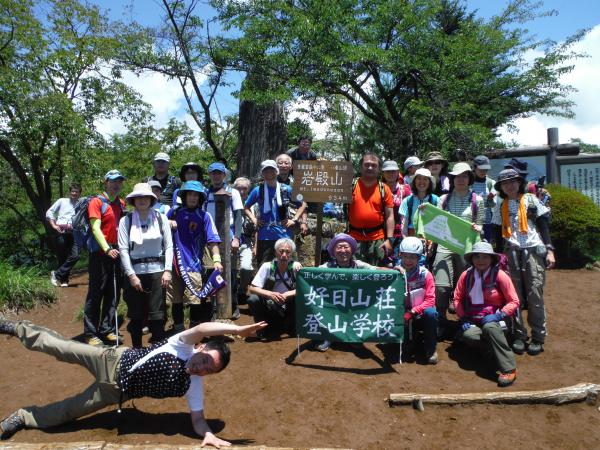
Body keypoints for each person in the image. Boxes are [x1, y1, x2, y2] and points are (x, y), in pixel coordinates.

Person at [0, 317, 267, 446]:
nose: (204, 368)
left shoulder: (192, 386)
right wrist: (237, 330)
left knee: (68, 413)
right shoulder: (182, 345)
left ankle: (23, 417)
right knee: (61, 348)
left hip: (116, 392)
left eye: (210, 370)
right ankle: (16, 328)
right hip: (110, 360)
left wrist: (209, 434)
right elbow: (201, 328)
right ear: (201, 348)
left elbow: (197, 419)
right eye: (207, 360)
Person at [491, 169, 555, 356]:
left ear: (519, 182)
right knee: (514, 296)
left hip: (533, 250)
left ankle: (538, 336)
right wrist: (497, 258)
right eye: (505, 183)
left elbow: (543, 225)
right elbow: (497, 233)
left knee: (535, 293)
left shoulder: (531, 200)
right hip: (510, 252)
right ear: (501, 187)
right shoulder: (501, 205)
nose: (509, 185)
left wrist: (550, 250)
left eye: (513, 181)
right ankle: (519, 335)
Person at [453, 242, 520, 386]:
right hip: (473, 318)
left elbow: (514, 301)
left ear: (491, 259)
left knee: (490, 328)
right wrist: (463, 318)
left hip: (497, 319)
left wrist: (499, 315)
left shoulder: (500, 275)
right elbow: (457, 299)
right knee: (469, 335)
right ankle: (491, 349)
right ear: (472, 259)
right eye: (477, 256)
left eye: (485, 257)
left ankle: (509, 369)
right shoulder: (466, 275)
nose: (480, 260)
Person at [430, 162, 484, 335]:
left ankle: (465, 321)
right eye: (456, 177)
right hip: (444, 246)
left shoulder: (477, 200)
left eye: (464, 176)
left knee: (466, 287)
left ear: (469, 179)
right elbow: (437, 223)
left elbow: (481, 225)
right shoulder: (443, 199)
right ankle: (440, 320)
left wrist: (478, 228)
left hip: (466, 249)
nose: (460, 179)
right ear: (452, 179)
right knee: (441, 286)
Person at [118, 183, 173, 348]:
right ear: (133, 200)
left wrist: (167, 270)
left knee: (157, 315)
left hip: (158, 272)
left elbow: (169, 246)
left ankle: (156, 351)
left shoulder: (161, 218)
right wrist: (131, 275)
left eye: (145, 197)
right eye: (138, 197)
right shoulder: (126, 221)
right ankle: (136, 350)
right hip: (135, 273)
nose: (142, 200)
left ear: (151, 199)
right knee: (135, 315)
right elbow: (123, 249)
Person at [167, 181, 222, 332]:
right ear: (184, 196)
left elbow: (213, 240)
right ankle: (178, 331)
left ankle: (194, 332)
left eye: (196, 195)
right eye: (190, 194)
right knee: (176, 299)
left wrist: (217, 260)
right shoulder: (173, 212)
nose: (193, 198)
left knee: (195, 299)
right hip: (174, 263)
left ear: (200, 198)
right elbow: (159, 229)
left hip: (193, 264)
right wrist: (167, 222)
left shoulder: (204, 216)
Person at [83, 170, 127, 346]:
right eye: (113, 181)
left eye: (119, 181)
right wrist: (107, 248)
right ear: (106, 182)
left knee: (113, 293)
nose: (116, 184)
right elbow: (95, 228)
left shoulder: (121, 203)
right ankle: (90, 333)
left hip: (117, 252)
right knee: (96, 293)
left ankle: (107, 329)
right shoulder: (97, 202)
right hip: (100, 254)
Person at [315, 233, 378, 351]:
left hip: (354, 302)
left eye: (346, 247)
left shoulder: (359, 265)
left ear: (352, 250)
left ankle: (354, 336)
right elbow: (312, 273)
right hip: (333, 303)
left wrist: (395, 270)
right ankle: (328, 337)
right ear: (333, 251)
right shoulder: (327, 266)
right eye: (339, 247)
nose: (343, 250)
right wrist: (299, 268)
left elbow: (378, 270)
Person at [203, 162, 244, 320]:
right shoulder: (205, 193)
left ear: (224, 175)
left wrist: (237, 238)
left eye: (219, 173)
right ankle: (215, 308)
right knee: (212, 271)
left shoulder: (233, 192)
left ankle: (233, 304)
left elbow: (238, 216)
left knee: (231, 272)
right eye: (213, 173)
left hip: (229, 235)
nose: (216, 176)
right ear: (209, 175)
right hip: (209, 237)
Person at [244, 160, 305, 265]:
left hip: (284, 234)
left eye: (271, 170)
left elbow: (303, 204)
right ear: (262, 174)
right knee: (264, 266)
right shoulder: (258, 190)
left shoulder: (286, 189)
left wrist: (294, 219)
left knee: (290, 266)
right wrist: (254, 219)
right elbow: (246, 207)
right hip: (265, 234)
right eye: (266, 171)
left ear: (276, 172)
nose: (269, 173)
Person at [393, 237, 439, 364]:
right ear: (400, 255)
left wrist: (413, 311)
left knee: (431, 313)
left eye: (412, 257)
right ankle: (409, 339)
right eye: (405, 256)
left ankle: (431, 348)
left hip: (420, 313)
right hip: (401, 313)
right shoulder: (394, 273)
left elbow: (430, 300)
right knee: (406, 350)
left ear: (419, 258)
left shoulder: (426, 274)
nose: (408, 260)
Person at [347, 152, 395, 266]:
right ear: (361, 166)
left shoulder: (384, 189)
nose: (370, 168)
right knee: (355, 271)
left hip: (377, 239)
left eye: (374, 165)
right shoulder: (350, 186)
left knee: (376, 271)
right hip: (354, 237)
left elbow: (390, 216)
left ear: (379, 169)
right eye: (367, 164)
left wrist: (389, 240)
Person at [247, 238, 301, 339]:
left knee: (300, 298)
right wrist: (270, 294)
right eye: (281, 251)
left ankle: (293, 326)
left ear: (292, 254)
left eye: (288, 252)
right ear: (275, 252)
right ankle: (261, 329)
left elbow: (304, 289)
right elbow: (252, 288)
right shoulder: (267, 266)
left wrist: (287, 294)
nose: (284, 255)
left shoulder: (296, 267)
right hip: (270, 304)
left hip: (289, 303)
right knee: (253, 299)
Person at [46, 183, 82, 287]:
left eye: (76, 192)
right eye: (72, 191)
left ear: (79, 193)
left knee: (75, 255)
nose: (74, 193)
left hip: (74, 232)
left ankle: (56, 274)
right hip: (61, 231)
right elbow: (49, 212)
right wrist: (53, 225)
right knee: (62, 256)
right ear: (70, 192)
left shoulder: (81, 204)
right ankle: (64, 280)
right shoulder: (62, 201)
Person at [233, 177, 256, 305]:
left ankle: (242, 291)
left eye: (244, 188)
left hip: (247, 240)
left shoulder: (254, 204)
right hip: (231, 240)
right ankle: (231, 292)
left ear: (249, 189)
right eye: (239, 188)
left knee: (246, 268)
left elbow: (258, 225)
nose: (241, 191)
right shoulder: (229, 201)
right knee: (229, 269)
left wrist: (256, 245)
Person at [382, 160, 411, 257]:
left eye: (393, 171)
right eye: (387, 171)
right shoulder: (378, 189)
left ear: (398, 172)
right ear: (383, 173)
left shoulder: (405, 190)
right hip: (381, 234)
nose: (390, 174)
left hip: (401, 233)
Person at [399, 168, 439, 238]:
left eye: (425, 179)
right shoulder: (407, 201)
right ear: (414, 181)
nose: (422, 182)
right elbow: (404, 227)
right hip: (412, 238)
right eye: (419, 178)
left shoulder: (436, 200)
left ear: (429, 182)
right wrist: (406, 240)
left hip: (431, 238)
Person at [471, 155, 497, 242]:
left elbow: (493, 205)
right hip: (471, 220)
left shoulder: (491, 183)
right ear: (474, 168)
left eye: (486, 169)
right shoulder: (468, 181)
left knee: (486, 243)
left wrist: (491, 199)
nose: (483, 172)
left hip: (486, 220)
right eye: (481, 169)